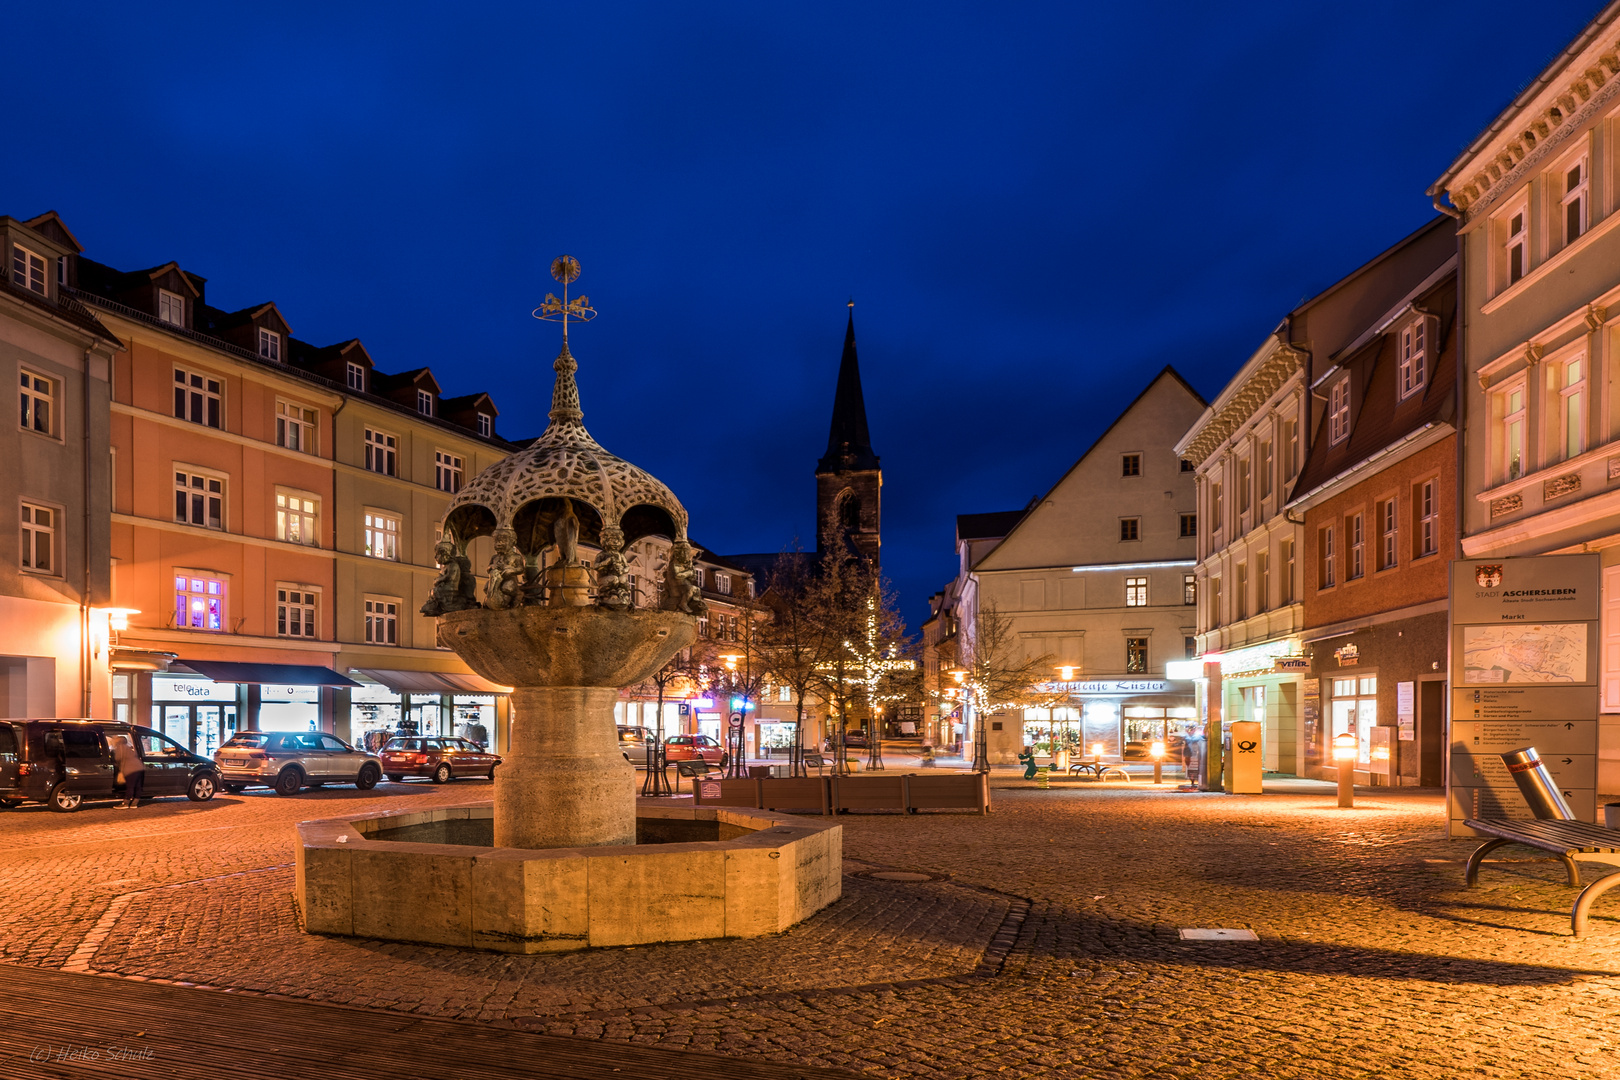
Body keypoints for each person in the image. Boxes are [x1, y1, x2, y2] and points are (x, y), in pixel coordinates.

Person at [112, 734, 146, 809]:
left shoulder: (119, 748)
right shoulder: (129, 748)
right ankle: (134, 803)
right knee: (137, 786)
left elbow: (118, 758)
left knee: (130, 786)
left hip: (130, 770)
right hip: (139, 767)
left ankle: (125, 803)